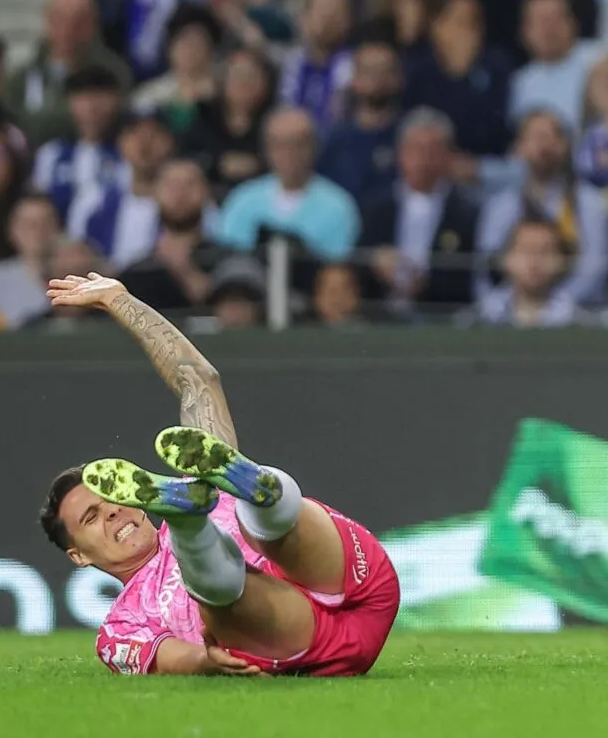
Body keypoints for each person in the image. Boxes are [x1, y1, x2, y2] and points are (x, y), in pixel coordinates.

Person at [38, 272, 400, 676]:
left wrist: (119, 299)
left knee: (251, 523)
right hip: (294, 629)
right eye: (91, 517)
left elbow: (198, 379)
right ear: (79, 555)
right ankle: (211, 520)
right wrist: (205, 660)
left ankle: (244, 499)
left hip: (352, 584)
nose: (113, 512)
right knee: (229, 581)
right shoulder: (120, 627)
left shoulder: (205, 488)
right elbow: (173, 658)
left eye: (114, 499)